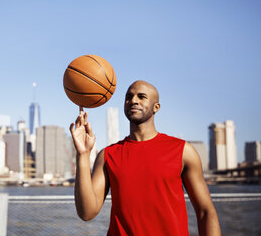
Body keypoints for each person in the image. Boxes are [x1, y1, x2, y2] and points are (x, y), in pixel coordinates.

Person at [69, 80, 221, 236]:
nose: (133, 100)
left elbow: (205, 212)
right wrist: (83, 155)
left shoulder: (183, 151)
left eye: (141, 97)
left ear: (156, 107)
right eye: (129, 97)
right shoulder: (108, 155)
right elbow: (87, 213)